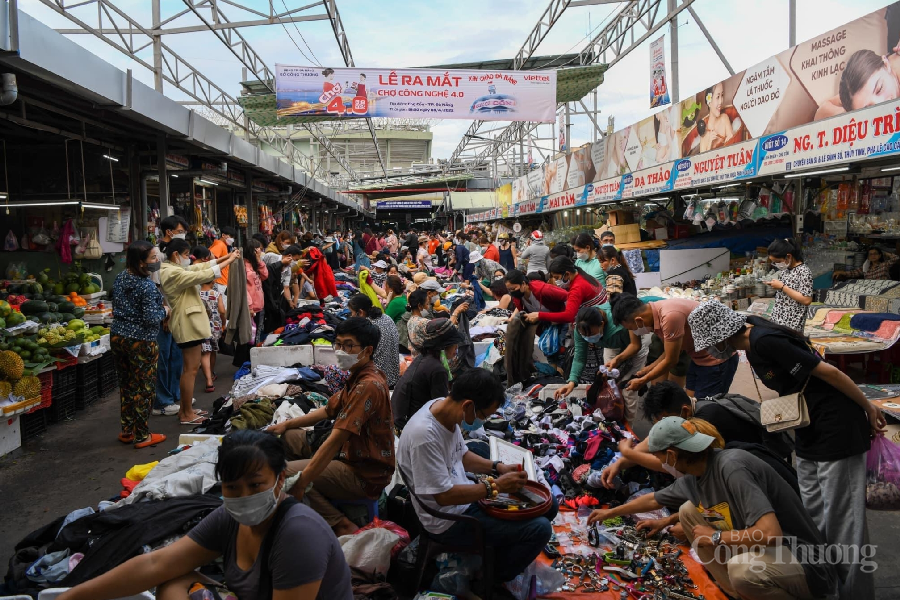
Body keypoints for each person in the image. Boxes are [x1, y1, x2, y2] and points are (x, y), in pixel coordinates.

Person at [687, 300, 884, 600]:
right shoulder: (750, 345)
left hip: (836, 427)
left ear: (722, 335)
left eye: (710, 344)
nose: (711, 351)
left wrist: (867, 407)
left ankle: (854, 594)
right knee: (813, 516)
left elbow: (829, 373)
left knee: (844, 524)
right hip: (807, 428)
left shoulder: (765, 340)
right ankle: (824, 586)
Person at [55, 429, 353, 600]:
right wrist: (71, 596)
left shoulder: (298, 534)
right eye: (232, 487)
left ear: (280, 479)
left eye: (256, 484)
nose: (244, 496)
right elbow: (157, 563)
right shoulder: (229, 519)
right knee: (174, 579)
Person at [587, 417, 836, 600]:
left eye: (661, 457)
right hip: (769, 553)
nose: (661, 463)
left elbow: (770, 534)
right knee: (687, 512)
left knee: (744, 571)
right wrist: (610, 513)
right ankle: (739, 595)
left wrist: (716, 537)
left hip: (805, 563)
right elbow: (654, 500)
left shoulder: (732, 467)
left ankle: (756, 589)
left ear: (672, 455)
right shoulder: (695, 476)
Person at [397, 368, 557, 583]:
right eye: (484, 416)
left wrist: (497, 467)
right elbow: (443, 497)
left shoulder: (441, 406)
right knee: (540, 529)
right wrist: (495, 487)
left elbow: (461, 455)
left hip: (462, 494)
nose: (483, 421)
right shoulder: (424, 436)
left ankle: (499, 550)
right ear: (468, 405)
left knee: (549, 505)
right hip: (447, 520)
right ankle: (489, 578)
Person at [269, 318, 394, 537]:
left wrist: (302, 480)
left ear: (368, 350)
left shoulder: (368, 385)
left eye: (349, 345)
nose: (341, 351)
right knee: (286, 438)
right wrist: (285, 424)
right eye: (338, 344)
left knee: (286, 473)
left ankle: (339, 523)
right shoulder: (358, 375)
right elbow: (328, 411)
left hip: (364, 471)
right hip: (348, 452)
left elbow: (335, 438)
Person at [159, 238, 239, 425]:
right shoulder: (171, 273)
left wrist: (226, 257)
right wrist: (230, 260)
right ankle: (186, 414)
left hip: (189, 323)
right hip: (187, 325)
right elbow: (201, 275)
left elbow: (200, 268)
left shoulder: (175, 269)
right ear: (175, 255)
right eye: (186, 255)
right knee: (190, 370)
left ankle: (186, 410)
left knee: (190, 369)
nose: (189, 259)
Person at [611, 294, 737, 399]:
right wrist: (647, 369)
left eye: (632, 329)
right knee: (692, 402)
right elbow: (670, 352)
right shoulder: (656, 312)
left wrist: (642, 381)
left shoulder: (669, 316)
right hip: (698, 358)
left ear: (639, 320)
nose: (635, 332)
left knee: (707, 407)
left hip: (717, 361)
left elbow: (671, 360)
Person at [109, 241, 168, 449]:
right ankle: (142, 435)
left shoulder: (121, 277)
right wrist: (166, 311)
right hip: (141, 342)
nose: (156, 261)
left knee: (126, 384)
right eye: (153, 258)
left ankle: (127, 430)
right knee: (144, 388)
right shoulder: (147, 286)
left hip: (118, 337)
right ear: (141, 262)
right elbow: (152, 319)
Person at [555, 305, 648, 427]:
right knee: (610, 385)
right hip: (612, 345)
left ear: (602, 324)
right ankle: (613, 418)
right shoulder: (581, 328)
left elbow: (635, 346)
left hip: (634, 345)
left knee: (628, 390)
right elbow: (579, 357)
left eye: (591, 334)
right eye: (584, 335)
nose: (588, 338)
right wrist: (572, 382)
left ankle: (627, 429)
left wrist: (618, 361)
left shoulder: (619, 327)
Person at [391, 318, 463, 431]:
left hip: (401, 419)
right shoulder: (437, 370)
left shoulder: (424, 357)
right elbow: (441, 411)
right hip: (410, 426)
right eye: (455, 345)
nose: (456, 349)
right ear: (444, 346)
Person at [502, 269, 567, 386]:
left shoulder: (542, 290)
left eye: (513, 288)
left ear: (523, 284)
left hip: (563, 321)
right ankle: (555, 380)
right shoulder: (518, 298)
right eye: (509, 290)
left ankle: (565, 379)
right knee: (550, 352)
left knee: (562, 352)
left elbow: (568, 297)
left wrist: (563, 317)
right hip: (547, 324)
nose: (512, 292)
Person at [153, 215, 189, 417]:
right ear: (169, 231)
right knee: (163, 358)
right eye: (180, 229)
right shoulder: (156, 255)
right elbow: (157, 287)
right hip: (164, 313)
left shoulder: (177, 252)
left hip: (177, 310)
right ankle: (162, 401)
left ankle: (176, 395)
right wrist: (165, 314)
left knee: (176, 356)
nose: (183, 233)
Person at [816, 49, 900, 120]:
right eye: (869, 108)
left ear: (886, 63)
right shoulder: (862, 95)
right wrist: (853, 115)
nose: (881, 104)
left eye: (880, 89)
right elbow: (821, 113)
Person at [522, 256, 606, 326]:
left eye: (557, 277)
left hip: (595, 323)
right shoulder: (583, 276)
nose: (555, 281)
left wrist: (539, 315)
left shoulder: (577, 288)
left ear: (567, 274)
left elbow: (568, 316)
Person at [347, 294, 400, 388]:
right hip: (393, 376)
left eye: (352, 313)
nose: (352, 316)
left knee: (332, 371)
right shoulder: (386, 318)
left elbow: (360, 357)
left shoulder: (367, 327)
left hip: (377, 379)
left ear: (360, 312)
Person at [193, 246, 227, 394]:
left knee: (204, 352)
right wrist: (224, 323)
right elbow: (222, 310)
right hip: (215, 327)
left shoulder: (197, 293)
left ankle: (208, 379)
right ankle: (211, 375)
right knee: (213, 351)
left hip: (201, 326)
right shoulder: (215, 292)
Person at [765, 238, 813, 332]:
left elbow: (806, 300)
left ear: (789, 256)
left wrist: (782, 287)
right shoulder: (785, 270)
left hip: (792, 325)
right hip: (778, 321)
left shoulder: (804, 271)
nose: (776, 264)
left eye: (778, 261)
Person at [261, 244, 305, 335]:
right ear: (289, 256)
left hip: (274, 294)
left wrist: (290, 301)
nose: (296, 263)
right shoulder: (270, 257)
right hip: (262, 291)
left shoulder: (288, 270)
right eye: (296, 260)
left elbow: (286, 287)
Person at [699, 82, 734, 153]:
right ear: (709, 102)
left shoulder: (724, 119)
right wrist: (710, 143)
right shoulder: (704, 136)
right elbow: (702, 160)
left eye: (722, 95)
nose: (721, 101)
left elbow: (732, 140)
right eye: (717, 97)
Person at [834, 245, 899, 281]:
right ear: (868, 257)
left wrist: (886, 254)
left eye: (875, 254)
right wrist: (841, 272)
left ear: (879, 255)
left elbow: (896, 258)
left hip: (883, 288)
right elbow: (853, 273)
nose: (873, 256)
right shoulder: (866, 268)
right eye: (870, 254)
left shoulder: (884, 265)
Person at [399, 288, 430, 356]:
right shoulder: (424, 322)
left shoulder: (410, 320)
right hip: (425, 359)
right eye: (427, 304)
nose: (428, 307)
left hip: (416, 359)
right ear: (419, 306)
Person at [208, 226, 236, 296]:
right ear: (223, 235)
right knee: (222, 305)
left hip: (220, 281)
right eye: (230, 236)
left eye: (233, 237)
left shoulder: (221, 245)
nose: (232, 239)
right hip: (219, 281)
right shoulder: (220, 244)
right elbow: (212, 258)